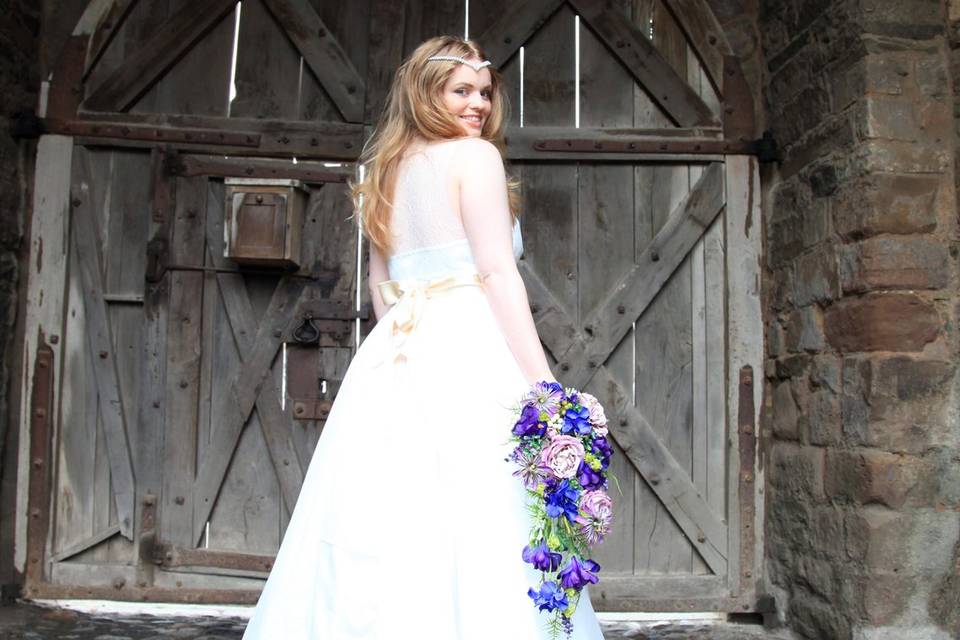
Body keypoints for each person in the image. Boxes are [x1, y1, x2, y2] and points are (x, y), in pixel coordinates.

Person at [241, 35, 605, 640]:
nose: (479, 106)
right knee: (477, 517)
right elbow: (495, 273)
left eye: (484, 93)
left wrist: (403, 359)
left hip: (395, 352)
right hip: (465, 344)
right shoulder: (475, 159)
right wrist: (544, 388)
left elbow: (380, 286)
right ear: (424, 92)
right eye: (461, 91)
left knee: (389, 517)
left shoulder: (387, 167)